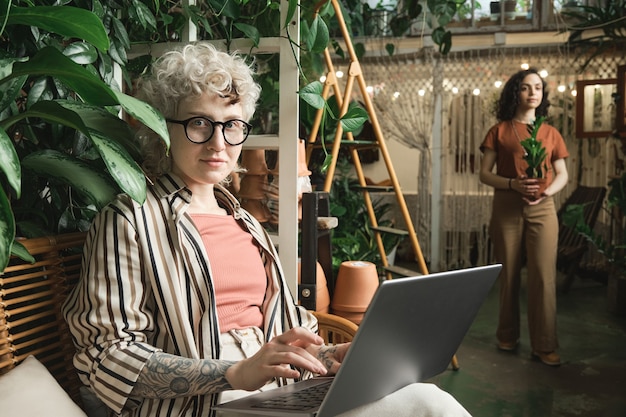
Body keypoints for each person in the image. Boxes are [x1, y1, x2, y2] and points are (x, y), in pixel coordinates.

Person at [62, 42, 471, 417]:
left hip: (278, 396)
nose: (218, 143)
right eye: (200, 124)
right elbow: (107, 355)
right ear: (162, 128)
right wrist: (233, 373)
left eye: (232, 125)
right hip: (200, 405)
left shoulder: (245, 222)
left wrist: (327, 358)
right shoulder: (130, 219)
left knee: (430, 401)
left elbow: (283, 337)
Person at [479, 67, 569, 367]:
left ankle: (544, 345)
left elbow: (562, 174)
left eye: (539, 88)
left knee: (544, 277)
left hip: (542, 208)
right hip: (506, 206)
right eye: (526, 87)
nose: (533, 93)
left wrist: (547, 194)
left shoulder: (551, 132)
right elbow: (484, 174)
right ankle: (507, 334)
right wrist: (511, 184)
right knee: (509, 274)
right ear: (515, 92)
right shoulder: (499, 130)